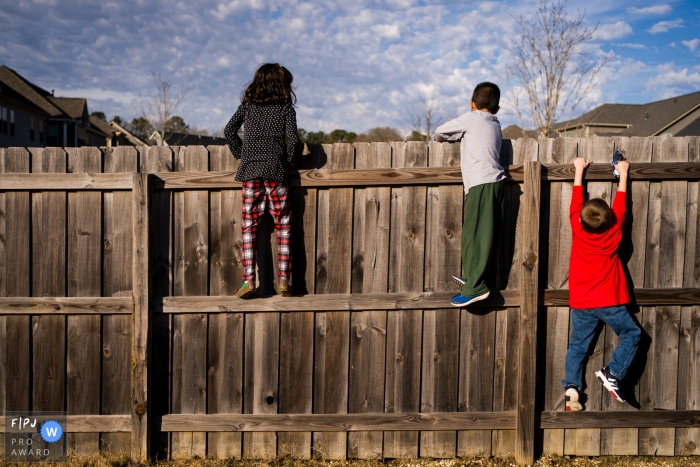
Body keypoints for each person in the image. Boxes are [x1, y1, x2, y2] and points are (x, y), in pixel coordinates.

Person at [562, 156, 641, 411]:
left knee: (578, 346)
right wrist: (623, 173)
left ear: (582, 219)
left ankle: (572, 389)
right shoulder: (615, 229)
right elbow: (621, 203)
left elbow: (576, 198)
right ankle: (613, 373)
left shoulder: (577, 226)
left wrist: (578, 170)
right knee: (632, 333)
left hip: (582, 302)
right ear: (609, 220)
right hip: (609, 301)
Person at [224, 63, 298, 298]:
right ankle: (285, 280)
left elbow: (229, 131)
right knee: (283, 225)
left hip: (250, 170)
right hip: (276, 170)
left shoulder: (247, 106)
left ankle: (248, 281)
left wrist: (241, 154)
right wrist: (288, 160)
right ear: (282, 85)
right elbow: (294, 141)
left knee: (249, 227)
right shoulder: (286, 108)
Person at [434, 82, 506, 307]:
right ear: (496, 108)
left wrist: (443, 140)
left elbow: (438, 132)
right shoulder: (495, 124)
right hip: (496, 184)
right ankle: (474, 277)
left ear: (472, 104)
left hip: (482, 184)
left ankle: (475, 286)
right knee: (483, 236)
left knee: (474, 236)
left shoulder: (472, 118)